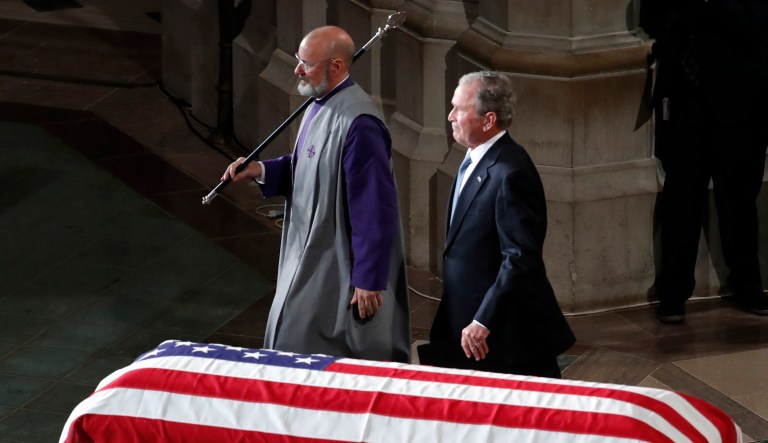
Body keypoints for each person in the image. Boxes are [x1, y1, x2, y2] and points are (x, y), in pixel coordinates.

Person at [221, 26, 410, 362]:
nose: (297, 70)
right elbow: (310, 164)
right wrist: (263, 171)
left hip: (333, 257)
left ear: (336, 66)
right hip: (307, 249)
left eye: (306, 63)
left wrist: (368, 279)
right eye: (298, 60)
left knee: (308, 344)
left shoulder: (360, 124)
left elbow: (373, 208)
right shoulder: (319, 104)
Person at [419, 72, 575, 378]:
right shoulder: (473, 159)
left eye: (459, 110)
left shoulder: (510, 172)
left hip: (502, 335)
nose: (450, 116)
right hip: (466, 323)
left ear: (488, 120)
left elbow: (519, 258)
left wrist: (483, 321)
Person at [640, 0, 768, 323]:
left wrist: (708, 9)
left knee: (739, 196)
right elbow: (653, 16)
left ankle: (746, 281)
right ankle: (673, 291)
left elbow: (758, 22)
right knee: (681, 197)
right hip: (686, 97)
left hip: (740, 97)